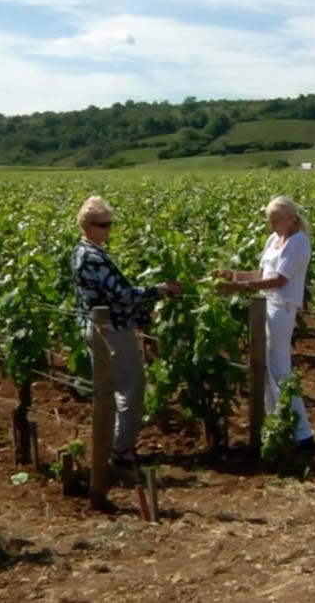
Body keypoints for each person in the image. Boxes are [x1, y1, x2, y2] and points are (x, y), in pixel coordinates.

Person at [71, 196, 180, 468]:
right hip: (112, 330)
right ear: (89, 225)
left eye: (110, 224)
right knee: (130, 387)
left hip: (96, 326)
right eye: (104, 224)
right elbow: (121, 295)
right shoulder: (94, 257)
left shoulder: (80, 251)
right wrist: (158, 290)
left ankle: (110, 445)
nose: (109, 229)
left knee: (110, 388)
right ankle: (121, 450)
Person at [215, 195, 314, 448]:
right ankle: (275, 422)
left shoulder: (299, 242)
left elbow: (280, 279)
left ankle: (302, 433)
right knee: (267, 367)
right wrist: (231, 275)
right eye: (270, 221)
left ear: (291, 219)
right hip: (265, 305)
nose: (272, 226)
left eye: (276, 221)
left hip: (282, 307)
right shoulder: (274, 239)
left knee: (280, 368)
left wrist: (239, 286)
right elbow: (262, 274)